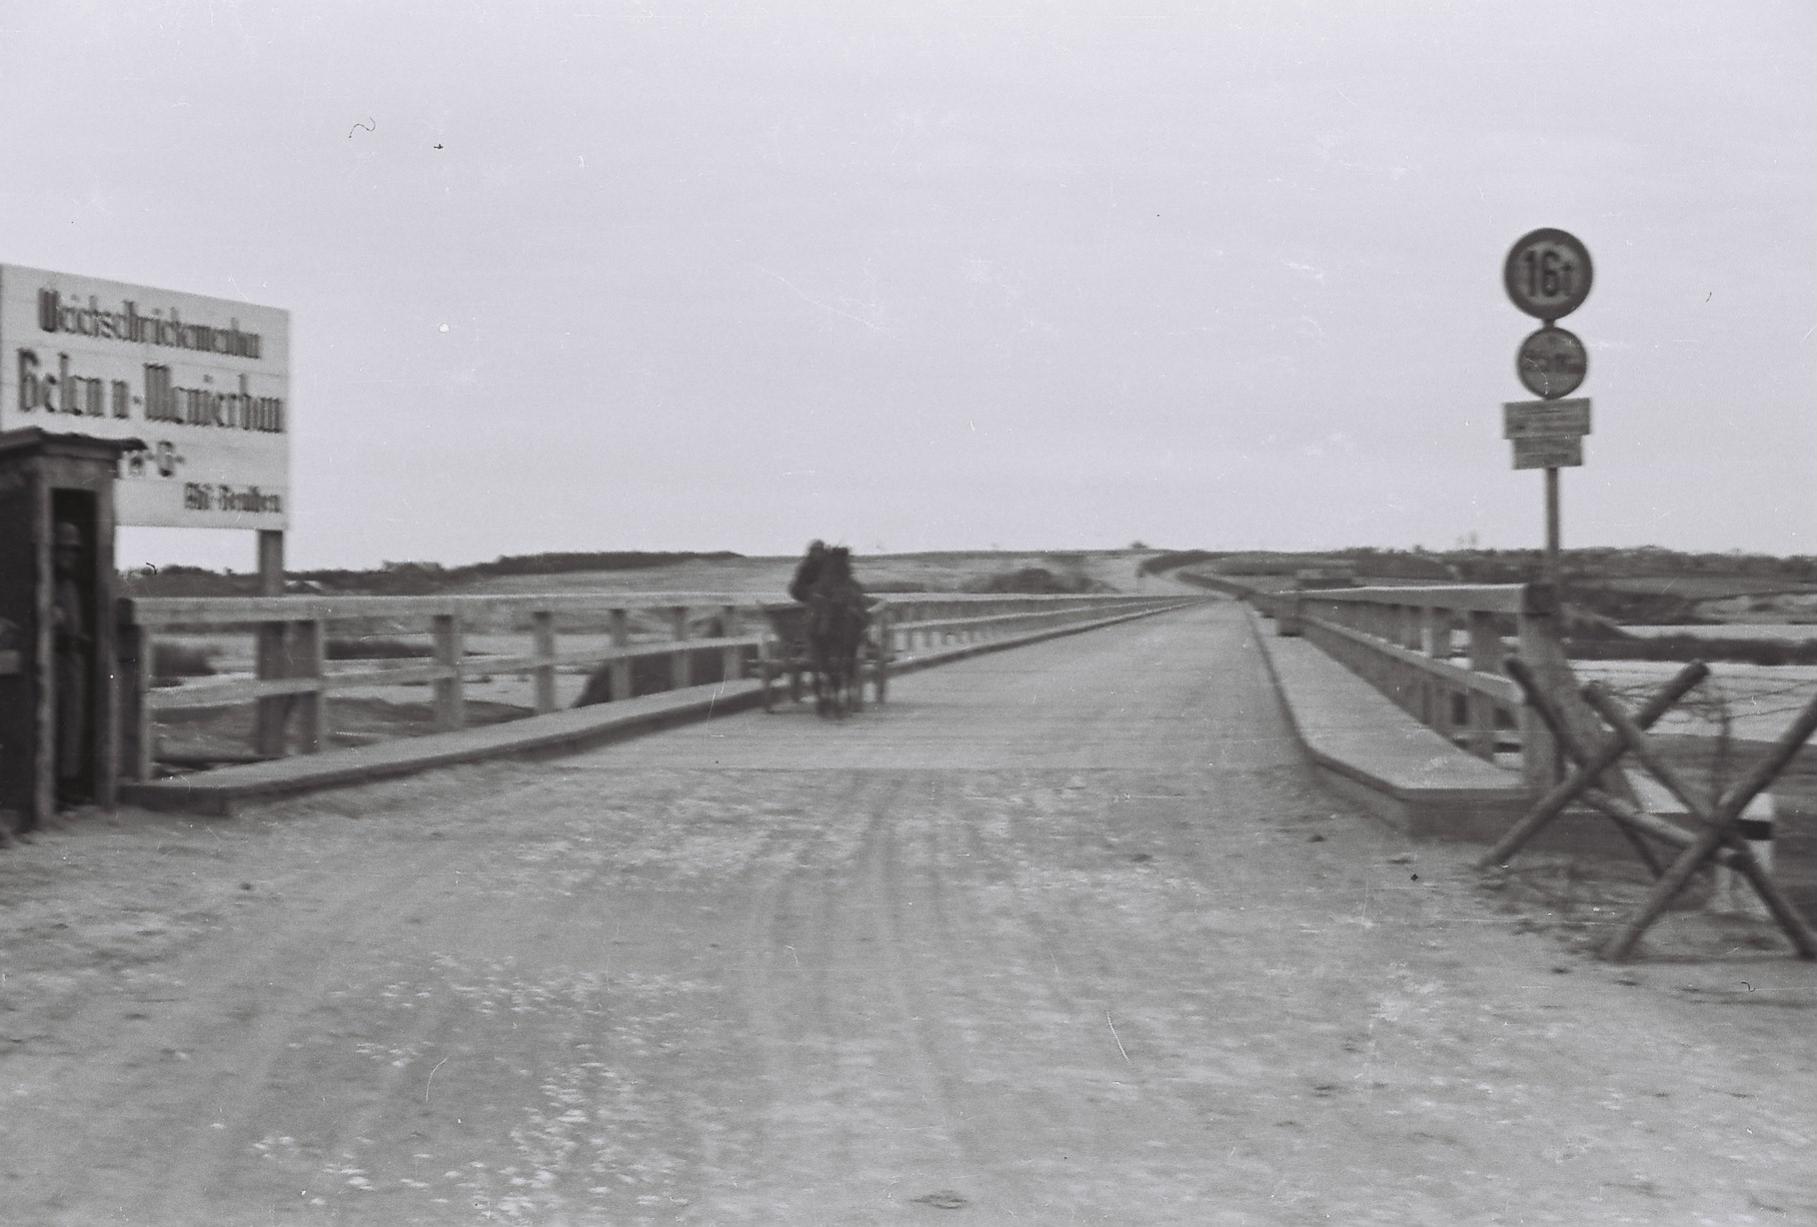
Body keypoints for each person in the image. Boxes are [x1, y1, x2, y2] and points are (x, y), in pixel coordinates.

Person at [51, 522, 91, 808]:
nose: (69, 555)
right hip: (54, 658)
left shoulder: (70, 585)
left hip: (73, 659)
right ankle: (56, 786)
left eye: (73, 550)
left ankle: (68, 782)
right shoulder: (47, 583)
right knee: (55, 720)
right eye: (64, 549)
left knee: (73, 720)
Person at [789, 539, 828, 603]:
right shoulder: (807, 565)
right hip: (802, 590)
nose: (819, 553)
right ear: (812, 552)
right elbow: (799, 584)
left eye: (821, 551)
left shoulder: (825, 563)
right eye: (816, 551)